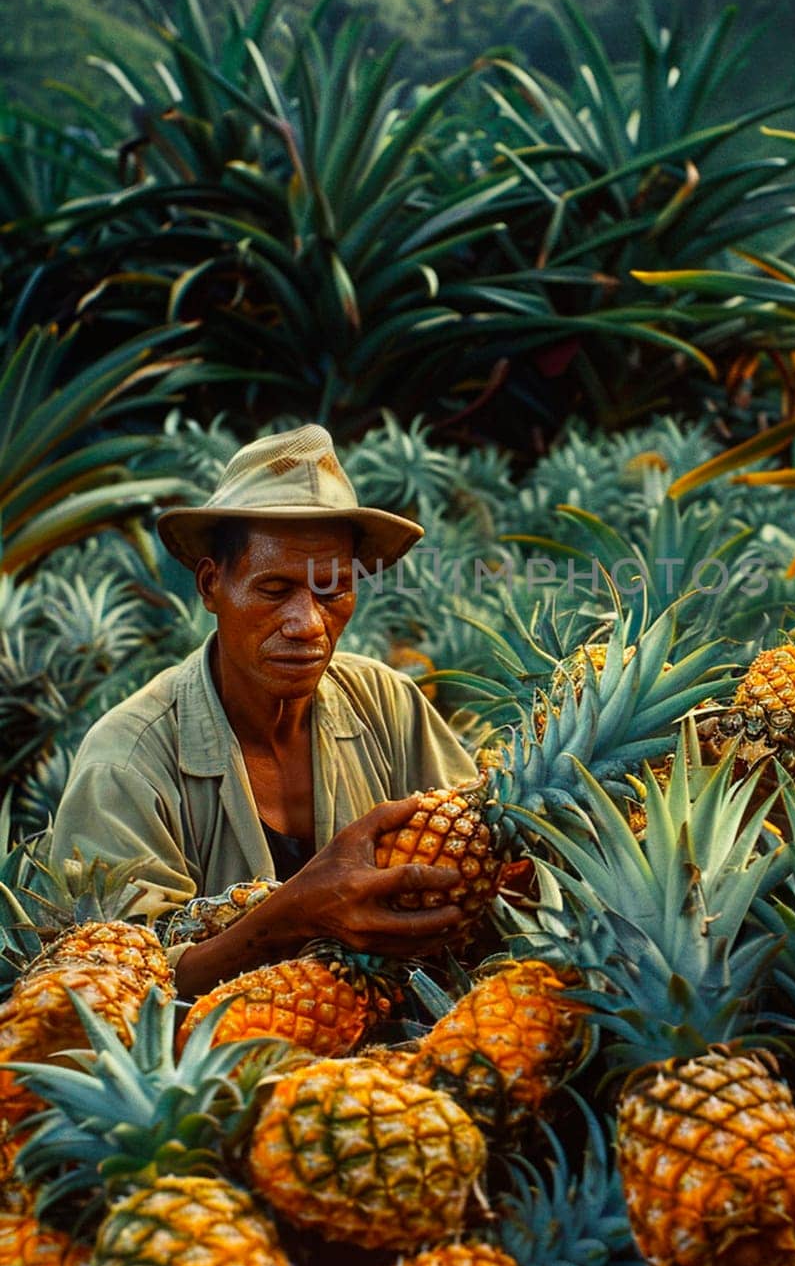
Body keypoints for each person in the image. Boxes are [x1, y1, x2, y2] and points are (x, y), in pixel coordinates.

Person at [48, 425, 478, 998]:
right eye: (275, 589)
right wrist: (291, 918)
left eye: (332, 590)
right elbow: (109, 991)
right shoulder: (127, 761)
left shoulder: (387, 703)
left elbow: (476, 858)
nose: (307, 625)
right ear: (211, 585)